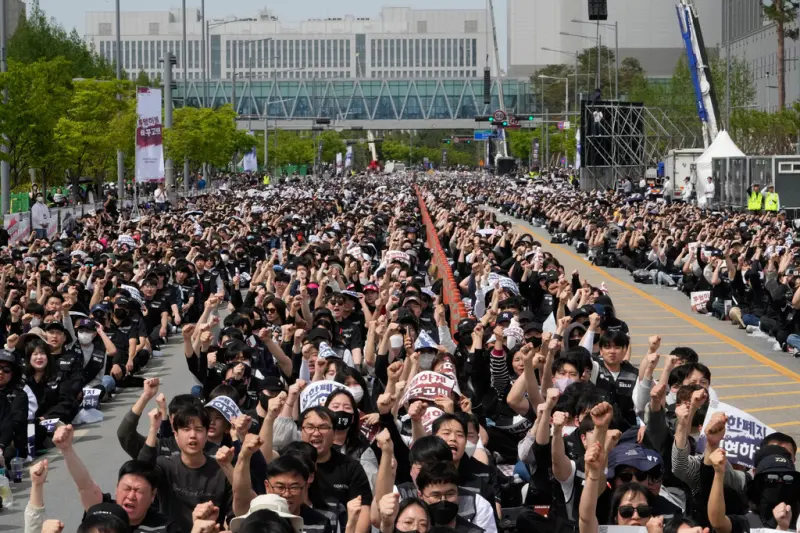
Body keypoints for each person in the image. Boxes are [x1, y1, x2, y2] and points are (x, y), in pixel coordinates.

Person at [54, 424, 177, 533]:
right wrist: (67, 449)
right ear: (117, 488)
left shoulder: (165, 527)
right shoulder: (102, 512)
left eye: (138, 490)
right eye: (127, 488)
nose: (131, 496)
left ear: (152, 495)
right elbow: (85, 485)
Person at [137, 402, 232, 532]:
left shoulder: (222, 470)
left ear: (206, 435)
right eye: (186, 429)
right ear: (176, 434)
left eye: (198, 429)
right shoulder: (165, 466)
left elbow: (237, 512)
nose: (193, 435)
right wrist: (153, 429)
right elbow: (140, 472)